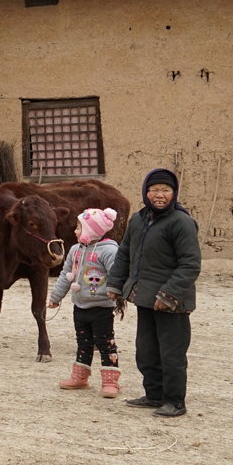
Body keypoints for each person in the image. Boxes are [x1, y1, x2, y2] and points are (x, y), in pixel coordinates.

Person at [107, 168, 201, 418]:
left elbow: (190, 264)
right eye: (154, 190)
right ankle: (154, 395)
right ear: (146, 192)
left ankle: (174, 401)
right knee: (146, 351)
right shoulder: (138, 220)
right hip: (145, 297)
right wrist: (115, 284)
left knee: (171, 353)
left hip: (173, 302)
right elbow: (125, 253)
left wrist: (168, 294)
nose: (159, 195)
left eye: (165, 190)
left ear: (174, 193)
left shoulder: (181, 222)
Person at [49, 207, 122, 397]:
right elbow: (66, 275)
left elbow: (116, 274)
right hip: (79, 306)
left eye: (79, 227)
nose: (75, 231)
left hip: (102, 307)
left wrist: (115, 292)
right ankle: (80, 377)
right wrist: (56, 297)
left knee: (106, 343)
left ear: (92, 230)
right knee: (83, 342)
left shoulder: (109, 251)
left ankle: (110, 381)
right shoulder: (75, 250)